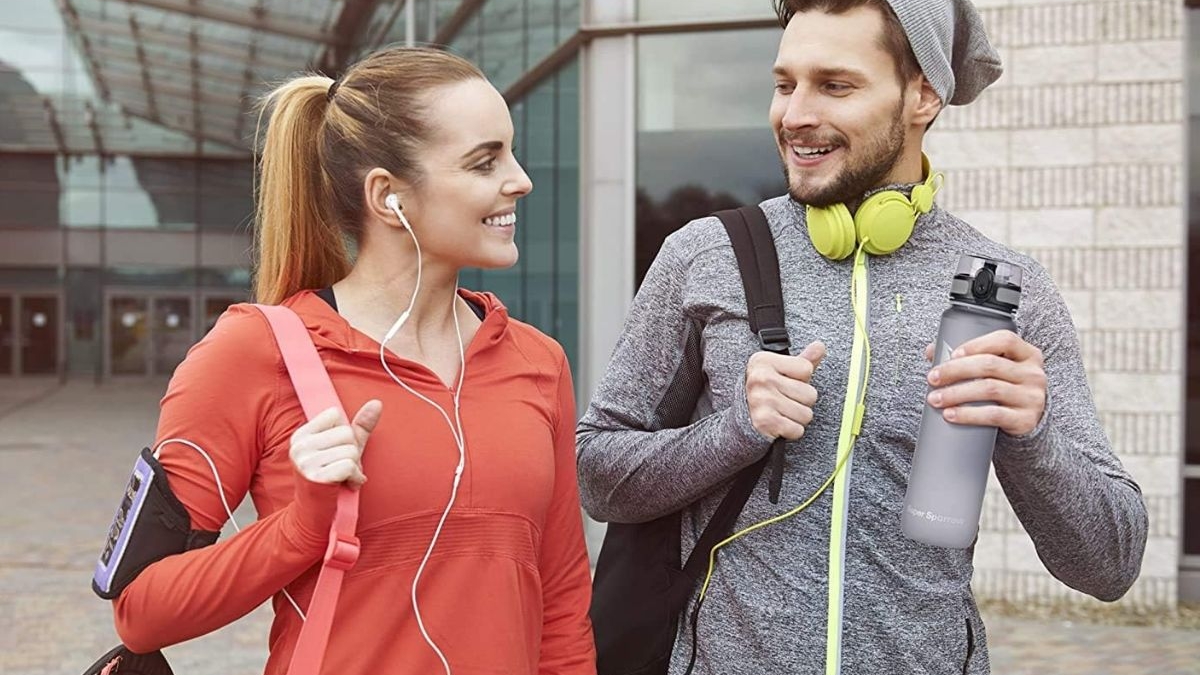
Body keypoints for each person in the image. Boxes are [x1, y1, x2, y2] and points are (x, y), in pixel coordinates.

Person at [575, 1, 1148, 673]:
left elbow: (1112, 564)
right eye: (785, 83)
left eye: (835, 85)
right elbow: (599, 476)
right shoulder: (705, 255)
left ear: (924, 94)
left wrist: (1034, 433)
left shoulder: (1004, 287)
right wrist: (732, 430)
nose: (793, 115)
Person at [109, 46, 595, 675]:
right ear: (388, 197)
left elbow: (560, 603)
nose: (521, 179)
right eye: (485, 161)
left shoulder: (538, 360)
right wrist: (302, 527)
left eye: (511, 150)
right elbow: (142, 611)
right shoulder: (254, 353)